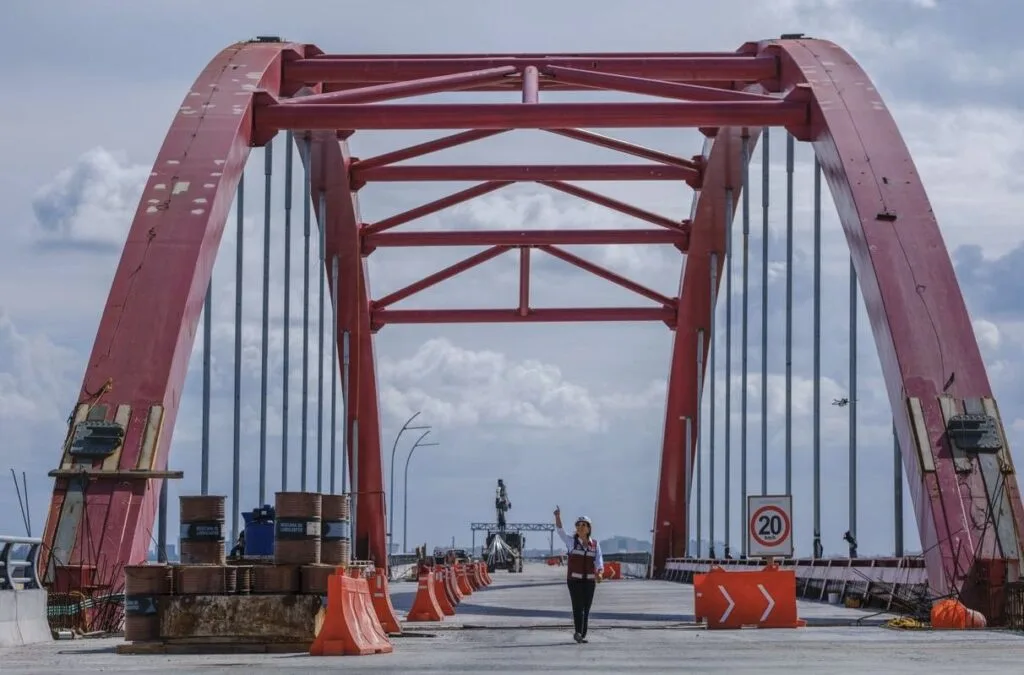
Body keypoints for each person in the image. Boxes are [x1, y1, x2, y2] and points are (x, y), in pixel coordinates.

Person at [553, 505, 604, 643]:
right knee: (578, 606)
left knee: (586, 608)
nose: (580, 527)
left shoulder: (595, 545)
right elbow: (560, 531)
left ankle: (583, 634)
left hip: (589, 581)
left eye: (584, 525)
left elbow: (599, 561)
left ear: (589, 528)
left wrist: (600, 572)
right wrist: (558, 516)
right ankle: (578, 633)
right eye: (578, 525)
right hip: (574, 581)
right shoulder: (571, 542)